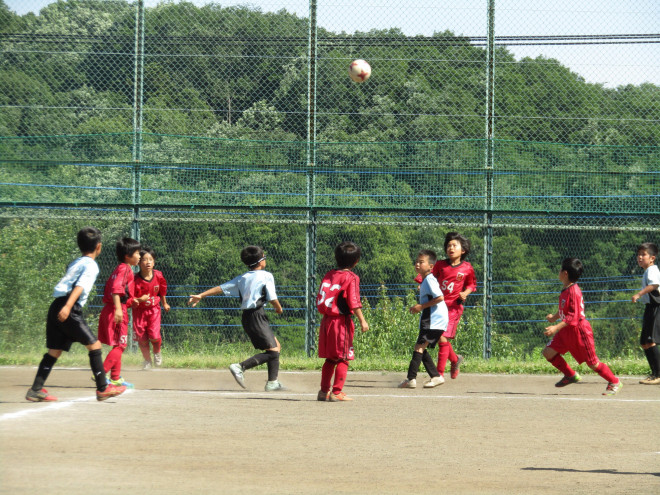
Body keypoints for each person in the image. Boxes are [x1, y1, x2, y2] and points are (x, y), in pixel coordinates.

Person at [26, 227, 126, 402]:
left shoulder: (75, 262)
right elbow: (79, 286)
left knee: (55, 351)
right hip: (68, 306)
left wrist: (64, 306)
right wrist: (68, 306)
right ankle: (102, 388)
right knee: (94, 345)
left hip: (56, 305)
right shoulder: (91, 265)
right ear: (99, 247)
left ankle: (35, 389)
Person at [188, 245, 285, 391]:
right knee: (272, 351)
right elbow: (272, 297)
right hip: (256, 315)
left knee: (275, 346)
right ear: (261, 261)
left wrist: (201, 295)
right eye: (264, 257)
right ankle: (240, 367)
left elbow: (221, 288)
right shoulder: (266, 275)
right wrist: (278, 307)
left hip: (248, 317)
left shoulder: (243, 278)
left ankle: (273, 382)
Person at [543, 258, 622, 396]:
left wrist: (556, 327)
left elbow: (573, 316)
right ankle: (570, 375)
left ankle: (614, 381)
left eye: (560, 269)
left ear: (565, 273)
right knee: (548, 353)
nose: (559, 271)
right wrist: (554, 317)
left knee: (592, 363)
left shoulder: (573, 291)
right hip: (566, 330)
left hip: (579, 331)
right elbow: (565, 310)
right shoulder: (566, 289)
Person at [316, 241, 369, 402]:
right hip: (341, 322)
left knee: (331, 358)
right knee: (344, 357)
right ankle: (336, 392)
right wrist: (362, 320)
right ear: (356, 261)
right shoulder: (351, 277)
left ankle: (323, 391)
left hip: (326, 321)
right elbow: (354, 301)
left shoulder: (329, 274)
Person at [428, 232, 477, 379]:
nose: (451, 248)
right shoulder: (440, 265)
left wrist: (466, 293)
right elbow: (430, 277)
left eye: (454, 245)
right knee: (438, 337)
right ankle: (455, 360)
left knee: (442, 337)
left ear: (463, 250)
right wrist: (423, 284)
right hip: (438, 306)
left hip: (454, 308)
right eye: (448, 245)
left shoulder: (467, 268)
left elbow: (472, 284)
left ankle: (438, 374)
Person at [97, 237, 141, 389]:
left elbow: (121, 292)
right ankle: (101, 375)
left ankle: (115, 377)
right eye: (137, 253)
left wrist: (132, 301)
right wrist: (118, 309)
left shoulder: (119, 268)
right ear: (127, 255)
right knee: (121, 345)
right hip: (116, 310)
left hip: (113, 308)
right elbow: (116, 290)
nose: (140, 256)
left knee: (118, 344)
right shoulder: (125, 269)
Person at [399, 250, 447, 389]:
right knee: (421, 348)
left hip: (433, 319)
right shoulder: (426, 280)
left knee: (419, 347)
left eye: (421, 262)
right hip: (434, 319)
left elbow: (439, 297)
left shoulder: (430, 279)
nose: (417, 264)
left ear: (431, 266)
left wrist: (421, 306)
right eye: (417, 262)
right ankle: (436, 376)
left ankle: (411, 379)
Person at [132, 246, 170, 370]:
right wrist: (138, 300)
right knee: (142, 338)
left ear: (154, 262)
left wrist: (164, 303)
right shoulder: (134, 279)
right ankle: (147, 360)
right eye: (144, 259)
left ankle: (157, 353)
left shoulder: (158, 275)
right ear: (139, 262)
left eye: (150, 259)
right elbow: (130, 299)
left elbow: (162, 289)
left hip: (154, 310)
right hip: (139, 312)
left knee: (154, 335)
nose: (147, 262)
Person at [631, 242, 660, 385]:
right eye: (638, 254)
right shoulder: (647, 271)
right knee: (644, 342)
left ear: (652, 258)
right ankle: (654, 373)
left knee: (651, 340)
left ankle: (658, 374)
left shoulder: (652, 270)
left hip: (656, 307)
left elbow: (654, 285)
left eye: (644, 254)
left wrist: (639, 294)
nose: (640, 257)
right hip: (649, 307)